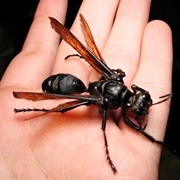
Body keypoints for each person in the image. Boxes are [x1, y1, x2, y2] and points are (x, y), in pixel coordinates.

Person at [0, 0, 172, 179]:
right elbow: (108, 119)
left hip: (85, 85)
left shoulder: (115, 81)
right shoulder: (106, 102)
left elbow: (118, 76)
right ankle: (39, 109)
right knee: (67, 107)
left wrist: (114, 73)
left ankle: (38, 108)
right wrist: (109, 145)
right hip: (68, 86)